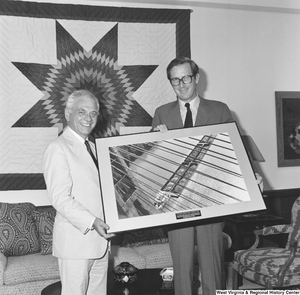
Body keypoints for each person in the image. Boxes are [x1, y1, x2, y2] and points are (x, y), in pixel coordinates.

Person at [152, 57, 234, 295]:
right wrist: (157, 143)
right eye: (175, 79)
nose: (181, 83)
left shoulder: (219, 110)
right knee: (182, 269)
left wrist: (254, 177)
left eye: (186, 77)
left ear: (196, 78)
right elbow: (153, 163)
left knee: (212, 270)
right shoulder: (161, 113)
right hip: (176, 204)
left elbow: (236, 152)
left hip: (211, 200)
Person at [43, 89, 114, 295]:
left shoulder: (94, 147)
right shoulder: (58, 148)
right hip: (76, 245)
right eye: (82, 112)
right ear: (68, 114)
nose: (88, 118)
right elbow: (60, 198)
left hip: (101, 243)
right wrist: (93, 222)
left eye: (93, 114)